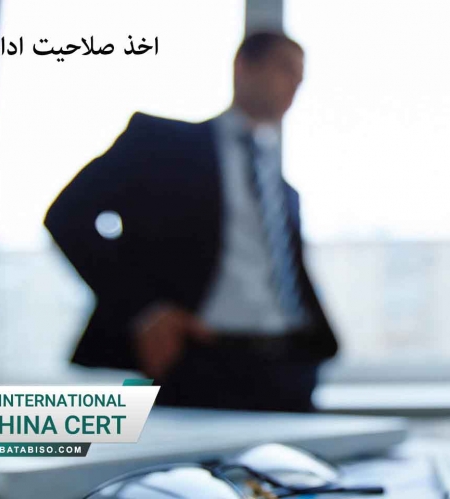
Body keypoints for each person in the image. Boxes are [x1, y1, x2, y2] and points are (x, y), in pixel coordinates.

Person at [44, 32, 337, 413]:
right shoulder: (161, 144)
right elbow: (68, 215)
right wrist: (144, 308)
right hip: (198, 362)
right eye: (285, 69)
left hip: (289, 367)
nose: (295, 85)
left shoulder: (282, 189)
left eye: (300, 77)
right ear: (244, 67)